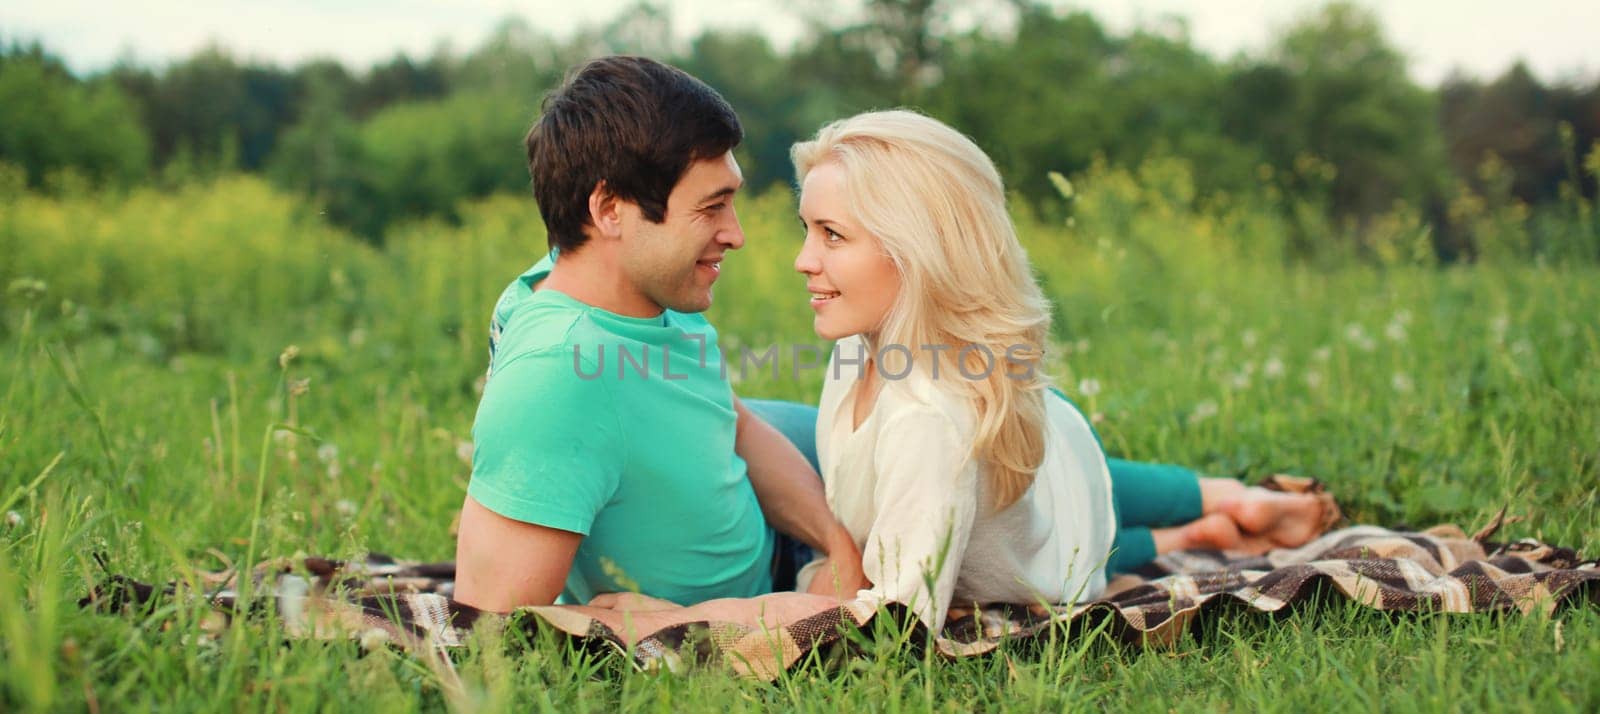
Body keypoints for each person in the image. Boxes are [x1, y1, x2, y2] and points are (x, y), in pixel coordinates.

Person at [786, 110, 1336, 629]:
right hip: (1037, 466)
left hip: (1058, 519)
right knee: (1071, 490)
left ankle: (1221, 508)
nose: (803, 259)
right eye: (807, 229)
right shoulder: (861, 344)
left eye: (832, 235)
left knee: (1094, 518)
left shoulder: (925, 417)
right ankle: (1218, 513)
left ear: (917, 249)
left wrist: (750, 609)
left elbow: (897, 622)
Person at [452, 55, 866, 614]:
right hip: (772, 579)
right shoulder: (558, 371)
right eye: (711, 207)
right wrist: (659, 625)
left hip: (794, 485)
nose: (736, 234)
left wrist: (840, 547)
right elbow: (486, 622)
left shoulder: (640, 286)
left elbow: (730, 419)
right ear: (609, 210)